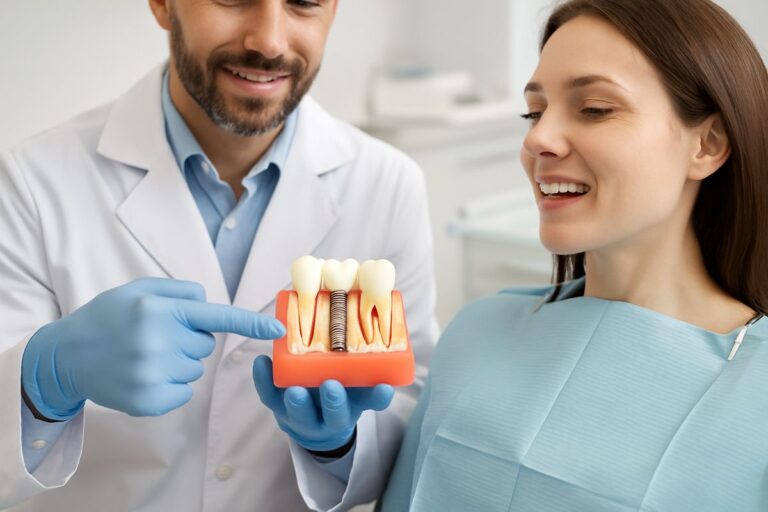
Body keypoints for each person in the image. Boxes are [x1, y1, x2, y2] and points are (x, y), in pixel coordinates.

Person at [0, 1, 438, 511]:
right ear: (163, 5)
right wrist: (41, 383)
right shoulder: (32, 182)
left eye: (304, 2)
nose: (269, 42)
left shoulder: (388, 184)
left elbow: (411, 415)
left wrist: (338, 446)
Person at [376, 0, 768, 510]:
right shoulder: (475, 333)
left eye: (595, 109)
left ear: (707, 144)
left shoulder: (755, 388)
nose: (538, 138)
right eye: (534, 112)